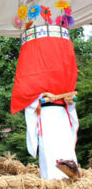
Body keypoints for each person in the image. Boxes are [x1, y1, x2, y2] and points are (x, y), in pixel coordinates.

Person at [11, 20, 78, 178]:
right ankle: (50, 181)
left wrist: (70, 101)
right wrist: (42, 96)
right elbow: (28, 98)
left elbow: (71, 101)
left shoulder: (63, 75)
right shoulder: (34, 76)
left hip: (62, 115)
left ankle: (71, 180)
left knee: (66, 149)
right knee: (49, 152)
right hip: (46, 116)